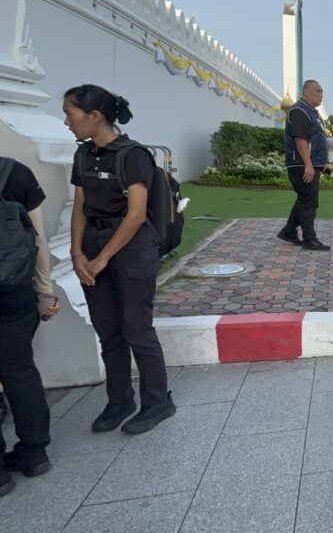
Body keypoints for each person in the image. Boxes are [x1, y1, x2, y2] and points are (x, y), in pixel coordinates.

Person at [66, 84, 176, 435]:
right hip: (94, 245)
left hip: (131, 250)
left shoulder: (132, 155)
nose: (67, 121)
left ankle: (158, 401)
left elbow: (135, 214)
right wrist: (77, 253)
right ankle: (119, 400)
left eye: (71, 113)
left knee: (136, 329)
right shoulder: (83, 155)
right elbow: (80, 206)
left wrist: (102, 259)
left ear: (94, 116)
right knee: (108, 332)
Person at [0, 158, 61, 495]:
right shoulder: (13, 172)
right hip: (14, 290)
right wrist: (45, 292)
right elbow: (38, 241)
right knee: (20, 370)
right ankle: (34, 452)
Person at [278, 79, 331, 251]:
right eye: (318, 91)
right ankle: (310, 239)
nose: (321, 95)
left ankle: (288, 232)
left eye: (322, 91)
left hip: (310, 163)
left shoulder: (312, 112)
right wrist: (308, 164)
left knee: (304, 199)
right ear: (306, 92)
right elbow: (300, 139)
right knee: (309, 201)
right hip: (300, 164)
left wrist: (322, 164)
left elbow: (316, 140)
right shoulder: (299, 111)